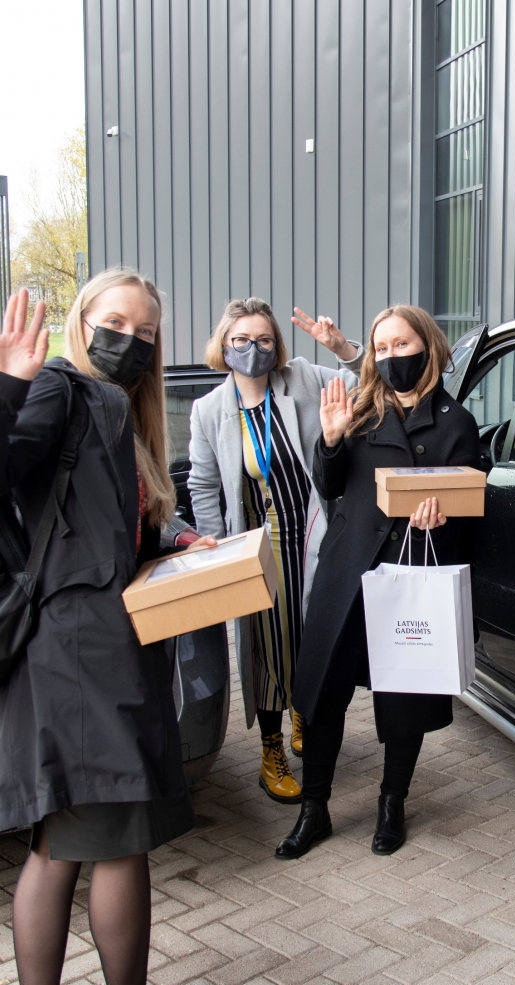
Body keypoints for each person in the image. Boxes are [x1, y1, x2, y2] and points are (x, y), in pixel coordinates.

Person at [0, 272, 196, 985]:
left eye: (146, 331)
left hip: (70, 654)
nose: (131, 339)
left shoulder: (115, 408)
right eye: (115, 321)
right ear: (83, 323)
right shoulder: (59, 389)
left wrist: (169, 543)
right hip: (83, 657)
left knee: (58, 844)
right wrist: (3, 384)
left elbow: (91, 530)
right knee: (113, 845)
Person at [279, 304, 481, 859]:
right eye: (382, 347)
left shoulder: (456, 422)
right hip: (349, 570)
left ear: (428, 346)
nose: (392, 356)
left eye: (402, 344)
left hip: (411, 573)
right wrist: (330, 440)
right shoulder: (360, 409)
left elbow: (468, 505)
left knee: (403, 696)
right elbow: (329, 486)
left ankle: (392, 804)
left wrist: (443, 519)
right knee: (324, 692)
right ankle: (314, 808)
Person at [186, 300, 363, 802]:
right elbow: (203, 485)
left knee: (310, 636)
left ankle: (303, 713)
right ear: (225, 346)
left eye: (264, 339)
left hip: (312, 536)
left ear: (276, 345)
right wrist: (214, 549)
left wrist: (343, 348)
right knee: (267, 646)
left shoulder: (302, 378)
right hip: (256, 546)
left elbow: (367, 384)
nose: (254, 349)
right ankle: (271, 748)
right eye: (242, 340)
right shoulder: (209, 410)